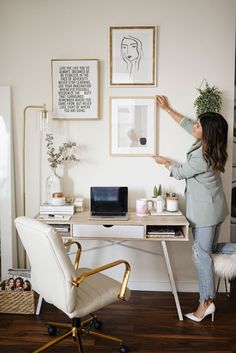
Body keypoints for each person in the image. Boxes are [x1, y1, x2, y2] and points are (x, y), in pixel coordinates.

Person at [153, 95, 236, 322]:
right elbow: (188, 124)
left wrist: (165, 163)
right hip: (215, 208)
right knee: (209, 249)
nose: (194, 126)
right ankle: (207, 300)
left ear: (206, 132)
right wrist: (168, 109)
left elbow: (180, 173)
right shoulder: (213, 144)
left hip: (205, 213)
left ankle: (206, 302)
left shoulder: (203, 155)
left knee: (202, 256)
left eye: (199, 125)